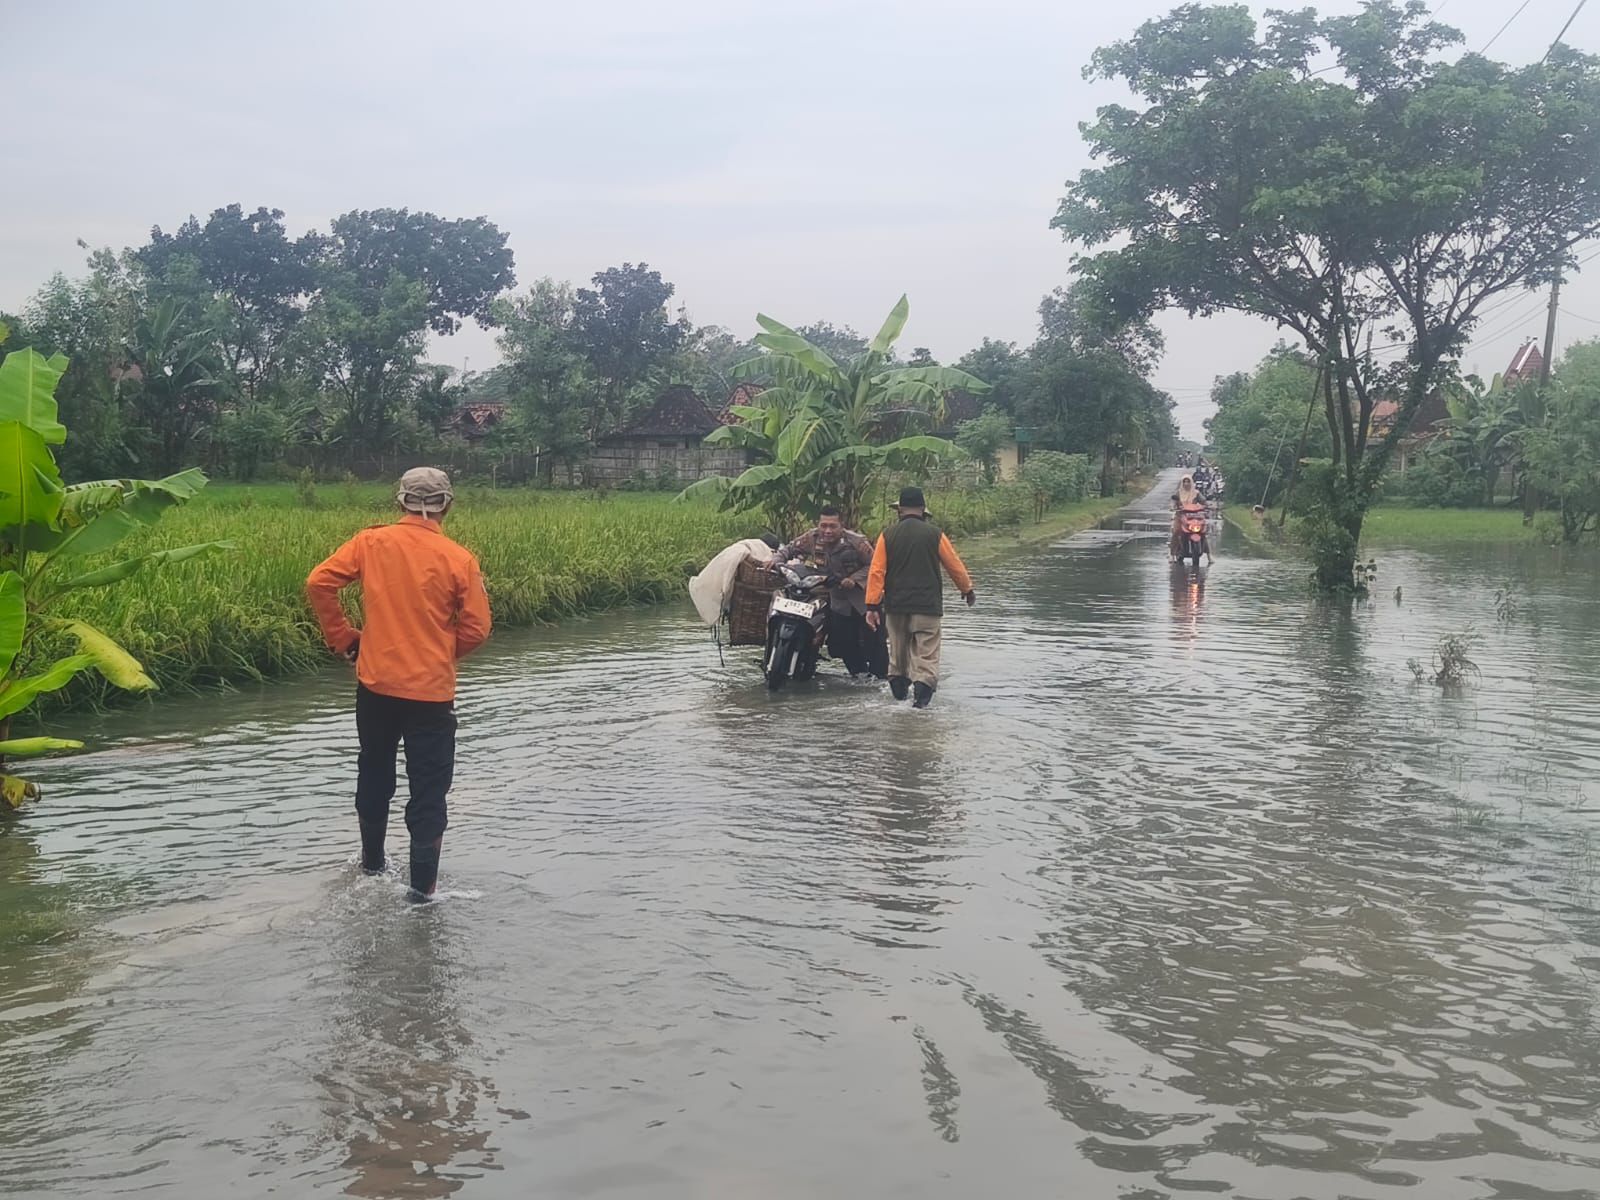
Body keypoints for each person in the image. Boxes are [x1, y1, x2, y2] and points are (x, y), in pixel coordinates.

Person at [305, 467, 492, 901]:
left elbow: (319, 583)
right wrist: (442, 652)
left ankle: (372, 866)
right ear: (447, 505)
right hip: (430, 693)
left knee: (374, 770)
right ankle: (422, 895)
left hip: (376, 685)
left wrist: (344, 638)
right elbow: (477, 629)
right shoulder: (458, 558)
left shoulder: (370, 542)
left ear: (399, 502)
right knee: (428, 790)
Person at [864, 487, 975, 708]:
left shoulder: (887, 535)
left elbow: (877, 572)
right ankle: (920, 706)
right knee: (926, 657)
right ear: (923, 510)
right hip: (927, 607)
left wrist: (872, 605)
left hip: (896, 608)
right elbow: (954, 565)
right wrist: (967, 589)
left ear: (900, 510)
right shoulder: (935, 534)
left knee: (898, 657)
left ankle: (899, 701)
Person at [769, 506, 885, 677]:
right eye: (823, 526)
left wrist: (854, 579)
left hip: (863, 600)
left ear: (841, 526)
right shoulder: (812, 537)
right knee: (843, 643)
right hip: (837, 599)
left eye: (832, 526)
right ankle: (860, 677)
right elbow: (788, 549)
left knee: (873, 643)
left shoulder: (856, 542)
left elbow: (875, 565)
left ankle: (882, 680)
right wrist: (776, 561)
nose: (827, 531)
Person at [1170, 474, 1213, 564]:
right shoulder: (1178, 492)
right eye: (1184, 481)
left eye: (1188, 481)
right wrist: (1173, 506)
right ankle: (1172, 555)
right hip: (1181, 516)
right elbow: (1173, 502)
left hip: (1196, 517)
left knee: (1203, 533)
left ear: (1191, 482)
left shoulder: (1196, 493)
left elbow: (1204, 501)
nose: (1186, 483)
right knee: (1176, 532)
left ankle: (1209, 556)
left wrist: (1207, 506)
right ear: (1182, 483)